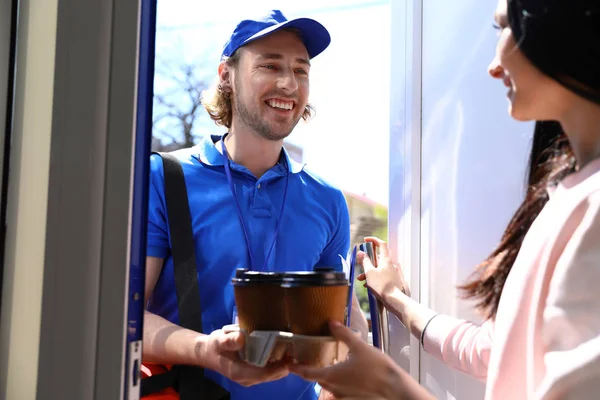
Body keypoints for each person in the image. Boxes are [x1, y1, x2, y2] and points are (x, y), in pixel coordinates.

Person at [290, 0, 600, 398]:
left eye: (504, 29)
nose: (493, 65)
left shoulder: (589, 207)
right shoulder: (566, 195)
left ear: (564, 26)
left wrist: (388, 385)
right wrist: (395, 298)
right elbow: (492, 349)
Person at [142, 10, 368, 400]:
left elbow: (343, 323)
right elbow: (124, 319)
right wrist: (207, 351)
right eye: (269, 65)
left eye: (301, 70)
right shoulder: (164, 178)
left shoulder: (327, 199)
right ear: (225, 75)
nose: (288, 83)